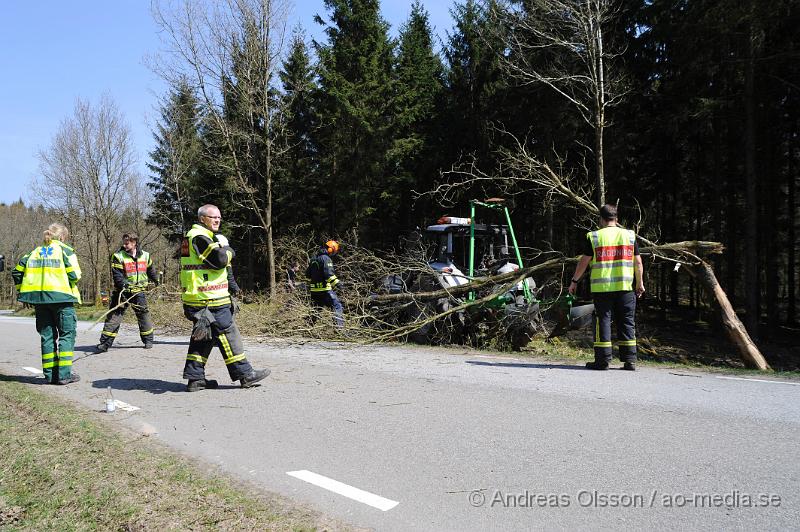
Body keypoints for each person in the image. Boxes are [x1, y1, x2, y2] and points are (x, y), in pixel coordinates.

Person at [180, 204, 270, 392]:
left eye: (219, 217)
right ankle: (245, 374)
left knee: (203, 337)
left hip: (199, 299)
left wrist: (233, 286)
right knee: (229, 334)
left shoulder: (195, 237)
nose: (217, 220)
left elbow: (219, 268)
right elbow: (219, 260)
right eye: (213, 217)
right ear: (202, 218)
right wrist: (229, 250)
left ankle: (195, 379)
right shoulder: (199, 237)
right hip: (209, 301)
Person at [568, 204, 645, 371]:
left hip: (602, 288)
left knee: (603, 321)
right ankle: (630, 360)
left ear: (601, 219)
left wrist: (574, 281)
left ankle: (602, 361)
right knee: (627, 321)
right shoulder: (629, 235)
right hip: (625, 286)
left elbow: (584, 261)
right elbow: (638, 262)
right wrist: (640, 283)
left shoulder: (595, 236)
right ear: (616, 219)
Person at [12, 223, 82, 384]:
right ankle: (64, 375)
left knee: (47, 337)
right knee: (67, 335)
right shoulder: (66, 251)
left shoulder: (33, 252)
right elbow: (75, 275)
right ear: (63, 237)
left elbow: (16, 271)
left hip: (40, 302)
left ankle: (50, 375)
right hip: (62, 299)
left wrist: (25, 292)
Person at [95, 232, 159, 352]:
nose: (124, 245)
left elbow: (150, 269)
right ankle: (105, 343)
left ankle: (148, 340)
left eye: (127, 243)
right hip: (122, 292)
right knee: (114, 317)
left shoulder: (145, 255)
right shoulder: (118, 256)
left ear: (134, 243)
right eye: (124, 243)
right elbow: (117, 275)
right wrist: (122, 285)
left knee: (143, 315)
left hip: (138, 292)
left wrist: (156, 279)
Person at [307, 240, 344, 328]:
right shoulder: (326, 259)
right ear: (331, 250)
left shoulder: (313, 259)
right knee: (337, 305)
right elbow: (329, 275)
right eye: (333, 252)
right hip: (324, 290)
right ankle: (339, 329)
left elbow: (308, 274)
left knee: (315, 310)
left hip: (314, 290)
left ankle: (308, 327)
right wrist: (339, 284)